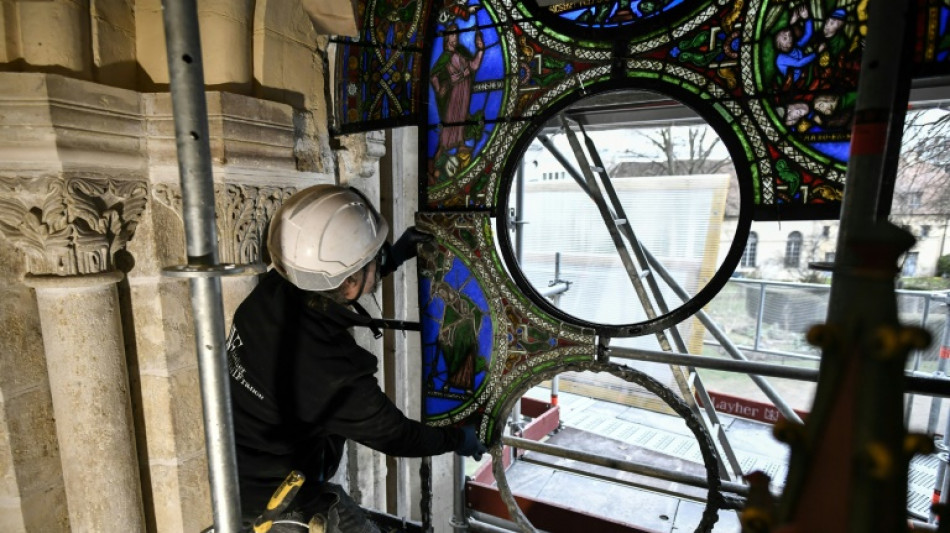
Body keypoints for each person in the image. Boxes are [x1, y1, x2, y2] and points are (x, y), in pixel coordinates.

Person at [227, 184, 486, 532]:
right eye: (373, 259)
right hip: (276, 500)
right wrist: (457, 439)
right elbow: (396, 435)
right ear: (349, 282)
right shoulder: (330, 369)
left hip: (238, 463)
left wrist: (393, 257)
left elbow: (332, 286)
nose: (378, 262)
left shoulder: (274, 292)